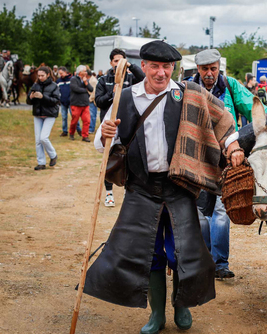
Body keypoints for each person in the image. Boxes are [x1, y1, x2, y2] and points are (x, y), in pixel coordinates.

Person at [87, 40, 244, 334]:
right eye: (155, 66)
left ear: (174, 68)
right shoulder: (124, 97)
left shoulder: (188, 94)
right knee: (147, 254)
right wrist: (106, 133)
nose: (161, 73)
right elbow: (101, 144)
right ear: (143, 66)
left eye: (167, 67)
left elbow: (223, 119)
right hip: (141, 189)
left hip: (178, 187)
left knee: (182, 252)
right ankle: (156, 315)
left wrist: (233, 147)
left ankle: (181, 306)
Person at [192, 49, 267, 279]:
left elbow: (256, 111)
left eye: (213, 68)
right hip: (199, 158)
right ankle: (204, 259)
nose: (209, 73)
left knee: (221, 210)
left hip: (228, 157)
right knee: (200, 212)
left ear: (218, 67)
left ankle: (220, 264)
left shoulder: (231, 86)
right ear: (198, 69)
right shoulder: (188, 88)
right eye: (204, 69)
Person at [95, 48, 145, 207]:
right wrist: (113, 94)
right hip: (109, 125)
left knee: (130, 159)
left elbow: (144, 78)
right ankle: (109, 194)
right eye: (116, 61)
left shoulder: (131, 77)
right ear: (111, 62)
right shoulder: (104, 79)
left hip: (129, 125)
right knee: (109, 160)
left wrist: (129, 66)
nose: (119, 64)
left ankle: (127, 192)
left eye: (122, 60)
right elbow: (98, 101)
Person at [26, 66, 60, 170]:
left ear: (48, 75)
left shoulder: (54, 86)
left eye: (42, 75)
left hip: (50, 114)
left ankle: (53, 155)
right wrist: (30, 97)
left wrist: (43, 97)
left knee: (43, 137)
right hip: (38, 114)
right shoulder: (35, 85)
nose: (40, 77)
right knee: (38, 140)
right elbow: (28, 101)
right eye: (39, 75)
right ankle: (41, 163)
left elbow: (56, 101)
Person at [69, 65, 93, 142]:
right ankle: (71, 133)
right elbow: (75, 88)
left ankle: (85, 136)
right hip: (76, 103)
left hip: (85, 104)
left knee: (87, 121)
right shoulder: (73, 79)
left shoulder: (86, 80)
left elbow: (91, 89)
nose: (86, 72)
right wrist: (85, 90)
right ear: (80, 72)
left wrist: (86, 82)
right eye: (85, 71)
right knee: (74, 121)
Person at [57, 67, 81, 137]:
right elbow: (58, 91)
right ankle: (65, 131)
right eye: (59, 73)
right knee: (64, 117)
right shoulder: (59, 81)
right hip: (63, 102)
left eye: (61, 73)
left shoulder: (72, 79)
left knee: (74, 117)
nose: (60, 75)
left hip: (72, 102)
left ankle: (78, 129)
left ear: (65, 72)